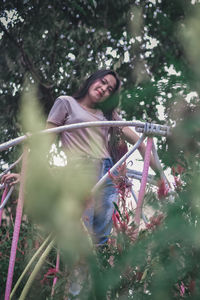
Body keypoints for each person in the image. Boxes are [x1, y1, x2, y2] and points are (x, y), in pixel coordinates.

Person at [1, 69, 157, 245]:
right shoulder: (65, 103)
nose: (104, 89)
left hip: (108, 173)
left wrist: (159, 175)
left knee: (102, 239)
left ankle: (99, 272)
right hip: (80, 171)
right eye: (103, 82)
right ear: (92, 80)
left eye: (110, 89)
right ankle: (79, 272)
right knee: (81, 235)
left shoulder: (109, 115)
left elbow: (141, 143)